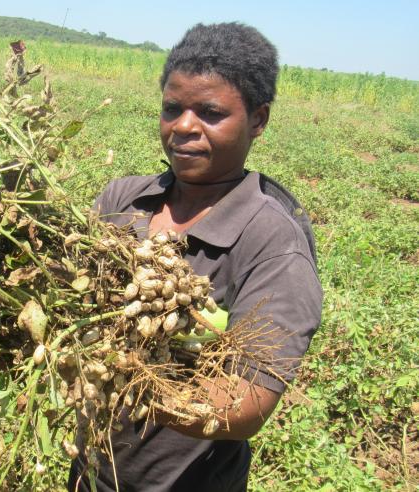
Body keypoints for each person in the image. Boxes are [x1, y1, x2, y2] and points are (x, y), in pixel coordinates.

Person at [68, 23, 323, 491]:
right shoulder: (123, 199)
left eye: (209, 112)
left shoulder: (272, 242)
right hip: (91, 473)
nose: (183, 126)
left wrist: (123, 371)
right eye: (172, 108)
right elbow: (72, 291)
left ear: (258, 120)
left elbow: (244, 404)